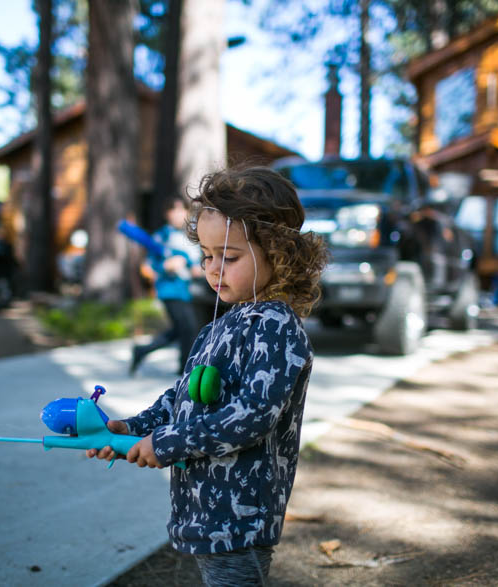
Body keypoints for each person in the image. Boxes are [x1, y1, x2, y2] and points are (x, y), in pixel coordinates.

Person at [88, 166, 328, 586]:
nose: (212, 268)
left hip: (241, 513)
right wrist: (129, 428)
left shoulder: (275, 326)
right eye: (207, 255)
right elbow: (180, 398)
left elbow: (252, 415)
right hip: (204, 508)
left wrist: (165, 443)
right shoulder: (220, 324)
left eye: (229, 257)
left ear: (279, 254)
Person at [130, 198, 201, 375]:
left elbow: (196, 261)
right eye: (173, 210)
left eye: (180, 209)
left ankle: (142, 350)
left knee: (181, 329)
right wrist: (166, 266)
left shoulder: (192, 235)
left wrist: (195, 266)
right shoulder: (161, 236)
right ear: (167, 214)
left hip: (189, 289)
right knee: (188, 328)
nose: (177, 214)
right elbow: (148, 267)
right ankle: (184, 369)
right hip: (169, 289)